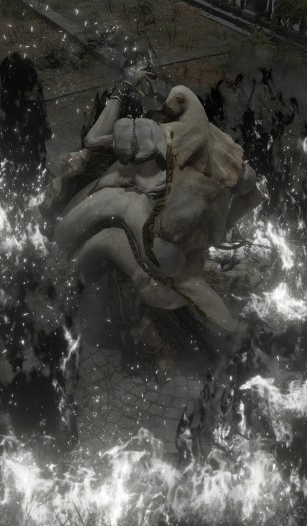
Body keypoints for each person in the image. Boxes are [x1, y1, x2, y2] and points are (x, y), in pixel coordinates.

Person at [49, 70, 264, 348]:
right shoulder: (213, 147)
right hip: (180, 252)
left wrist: (122, 90)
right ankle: (232, 332)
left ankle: (75, 288)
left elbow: (94, 140)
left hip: (158, 248)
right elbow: (251, 191)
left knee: (108, 220)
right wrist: (223, 227)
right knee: (121, 245)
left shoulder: (154, 140)